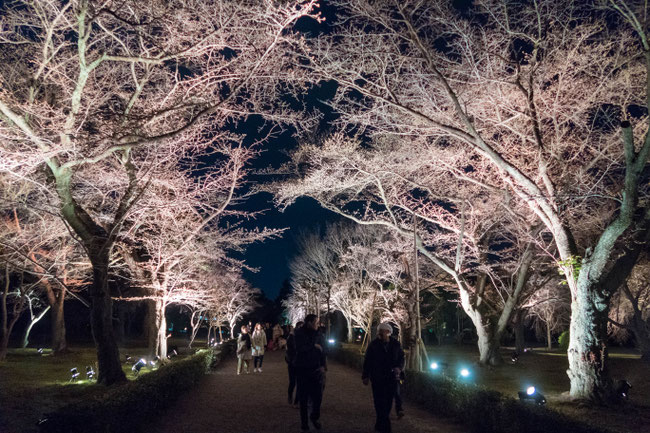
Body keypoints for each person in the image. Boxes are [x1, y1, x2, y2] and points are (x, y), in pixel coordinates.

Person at [362, 322, 405, 433]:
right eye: (379, 331)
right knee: (378, 401)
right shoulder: (374, 345)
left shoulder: (396, 344)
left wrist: (399, 368)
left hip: (391, 377)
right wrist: (365, 375)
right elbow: (368, 361)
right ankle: (385, 426)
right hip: (377, 377)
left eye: (382, 331)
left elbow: (401, 358)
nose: (380, 333)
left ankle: (381, 423)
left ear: (388, 332)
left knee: (388, 401)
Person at [295, 314, 327, 432]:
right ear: (309, 323)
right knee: (303, 398)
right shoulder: (299, 333)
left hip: (316, 369)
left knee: (318, 397)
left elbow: (323, 350)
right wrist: (314, 346)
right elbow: (300, 349)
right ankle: (304, 423)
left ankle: (314, 417)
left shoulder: (319, 334)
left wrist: (323, 365)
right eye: (316, 322)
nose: (318, 325)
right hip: (302, 369)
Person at [285, 321, 303, 406]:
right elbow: (290, 350)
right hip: (293, 362)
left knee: (300, 382)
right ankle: (290, 395)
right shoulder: (291, 337)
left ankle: (296, 401)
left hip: (301, 362)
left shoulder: (303, 336)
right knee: (292, 382)